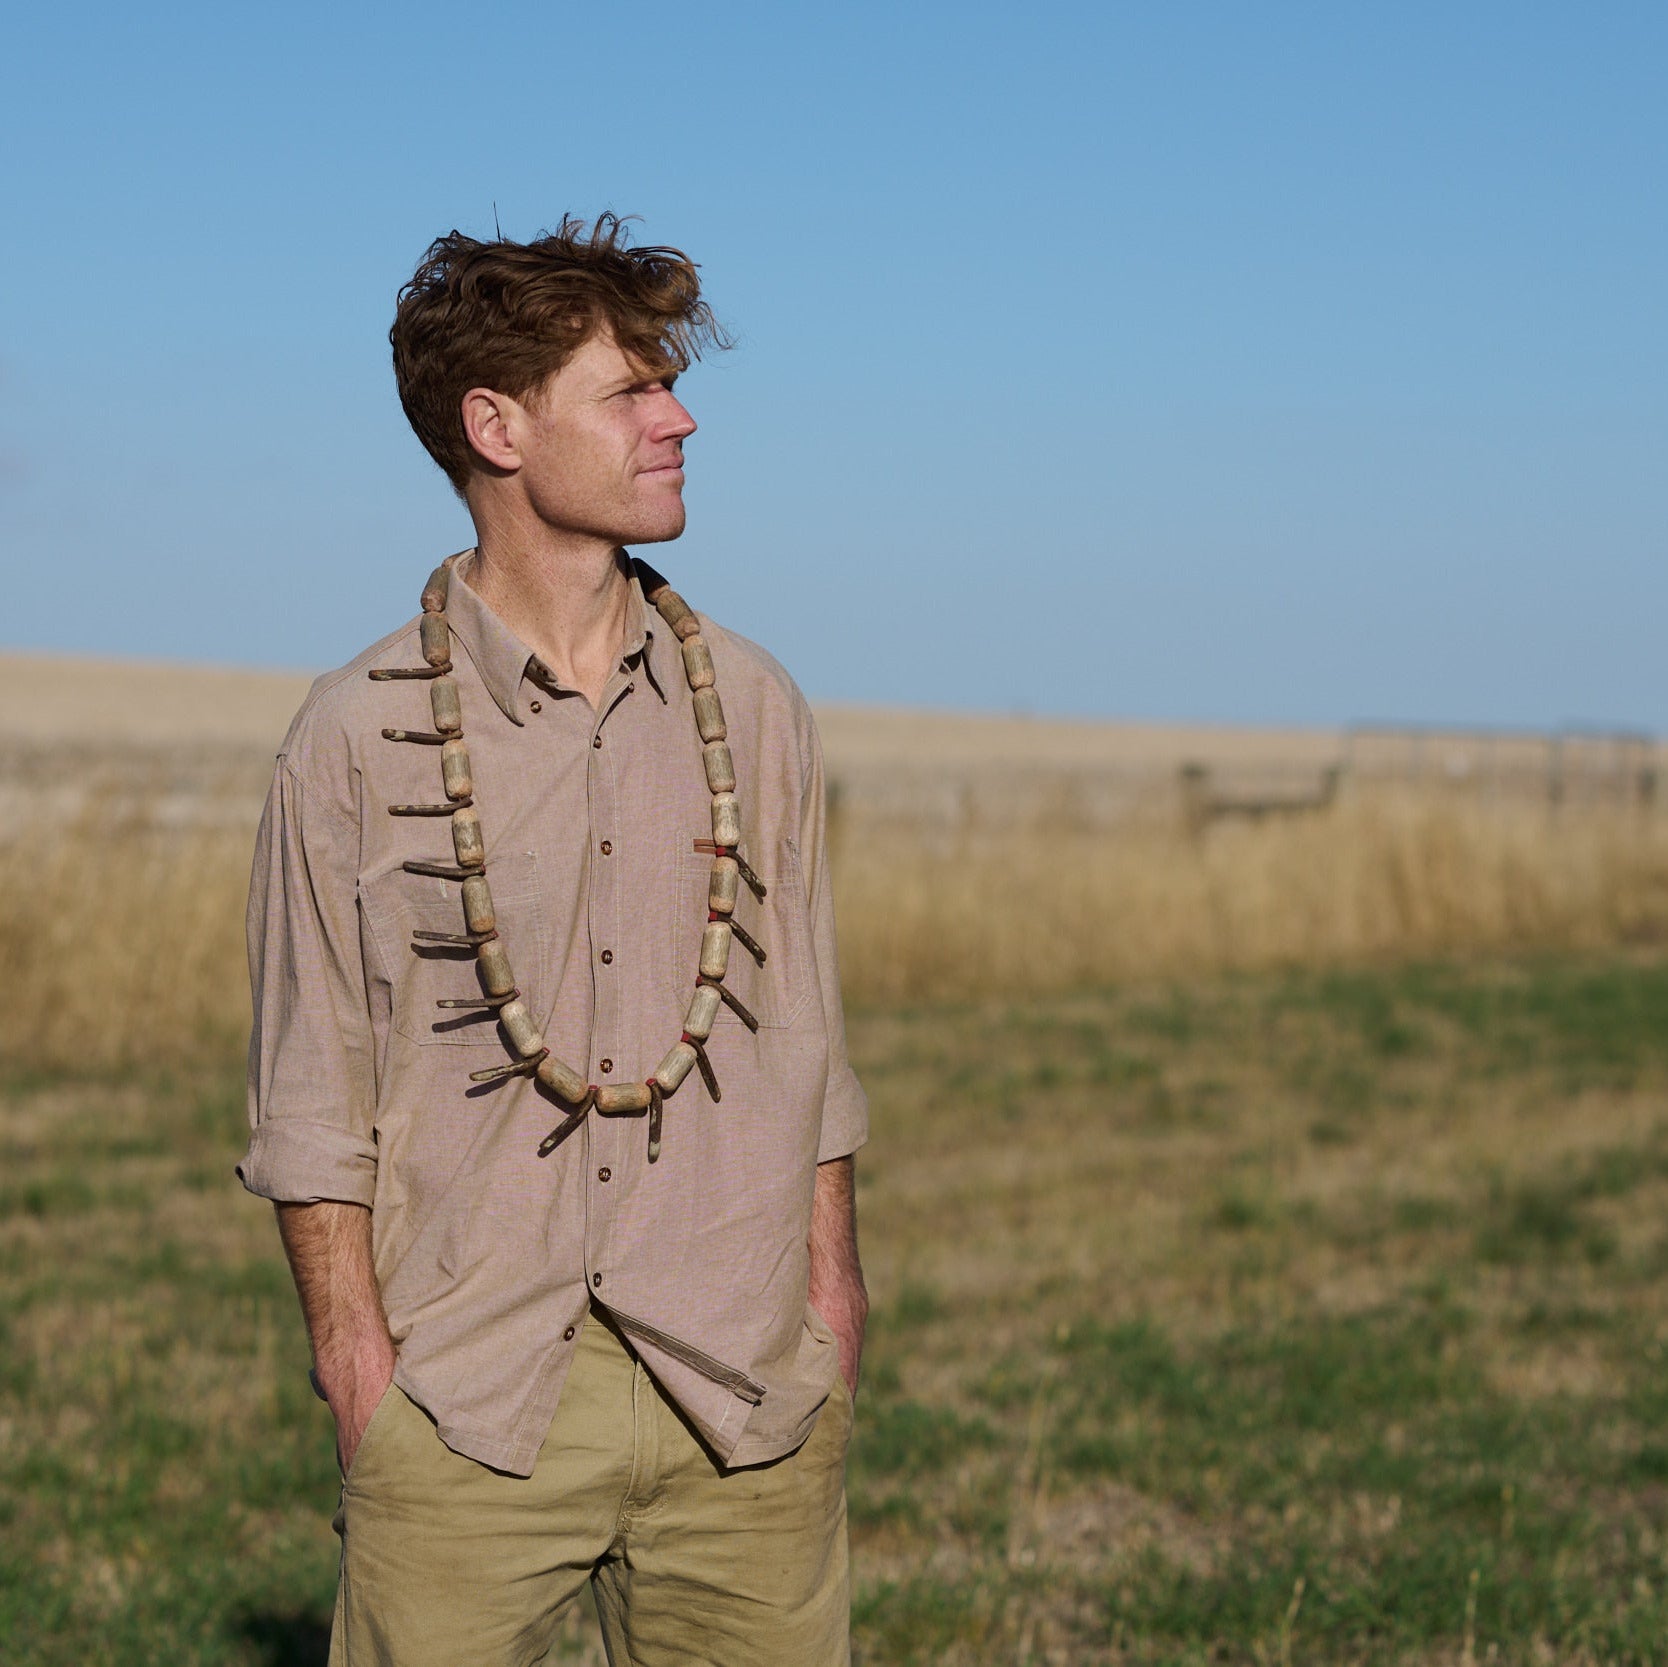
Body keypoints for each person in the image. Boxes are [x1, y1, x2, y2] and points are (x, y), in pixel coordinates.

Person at [237, 215, 869, 1666]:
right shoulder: (351, 736)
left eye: (670, 385)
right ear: (497, 427)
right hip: (468, 1399)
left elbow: (807, 1044)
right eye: (633, 390)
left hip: (746, 1389)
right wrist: (359, 1372)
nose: (681, 415)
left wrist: (828, 1307)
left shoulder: (755, 707)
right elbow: (308, 1091)